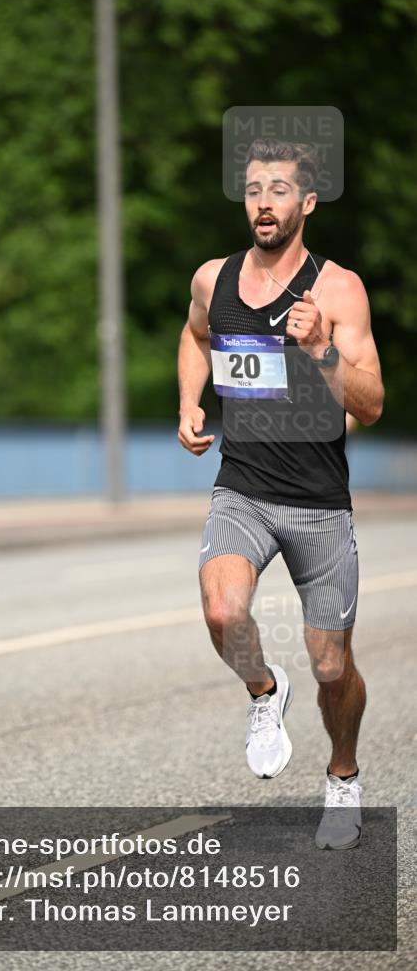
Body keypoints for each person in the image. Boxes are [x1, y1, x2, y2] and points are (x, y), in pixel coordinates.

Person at [177, 138, 384, 849]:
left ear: (307, 202)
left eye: (279, 190)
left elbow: (371, 404)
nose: (263, 203)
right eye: (253, 190)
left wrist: (321, 349)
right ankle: (264, 691)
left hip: (320, 502)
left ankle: (343, 775)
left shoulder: (339, 290)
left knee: (331, 665)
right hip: (243, 486)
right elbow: (195, 336)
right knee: (221, 608)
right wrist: (188, 402)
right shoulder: (214, 279)